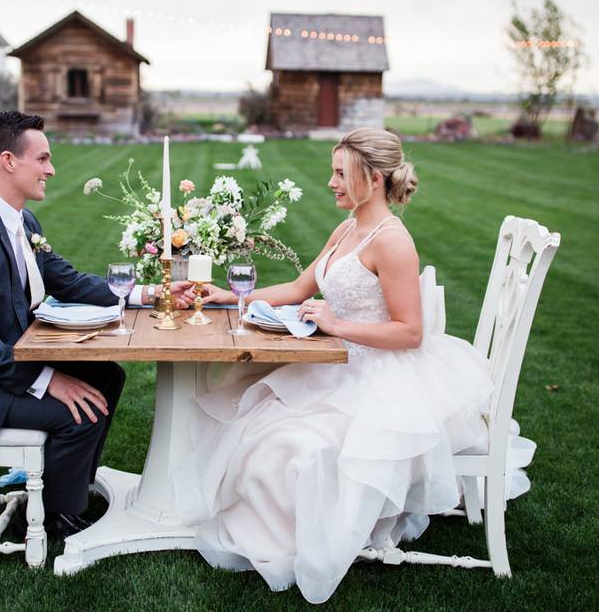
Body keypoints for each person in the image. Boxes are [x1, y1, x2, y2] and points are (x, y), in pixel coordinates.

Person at [174, 128, 530, 603]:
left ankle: (305, 541)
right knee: (250, 409)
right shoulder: (346, 229)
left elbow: (410, 332)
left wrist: (337, 326)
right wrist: (232, 295)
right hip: (340, 362)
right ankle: (278, 525)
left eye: (341, 173)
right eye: (333, 171)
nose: (331, 182)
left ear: (374, 178)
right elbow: (300, 289)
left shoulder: (393, 241)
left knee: (290, 443)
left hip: (383, 373)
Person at [0, 111, 191, 539]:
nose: (52, 169)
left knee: (106, 376)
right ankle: (60, 520)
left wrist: (150, 294)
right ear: (9, 160)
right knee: (78, 412)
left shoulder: (22, 220)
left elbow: (63, 279)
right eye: (44, 159)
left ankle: (64, 491)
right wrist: (47, 379)